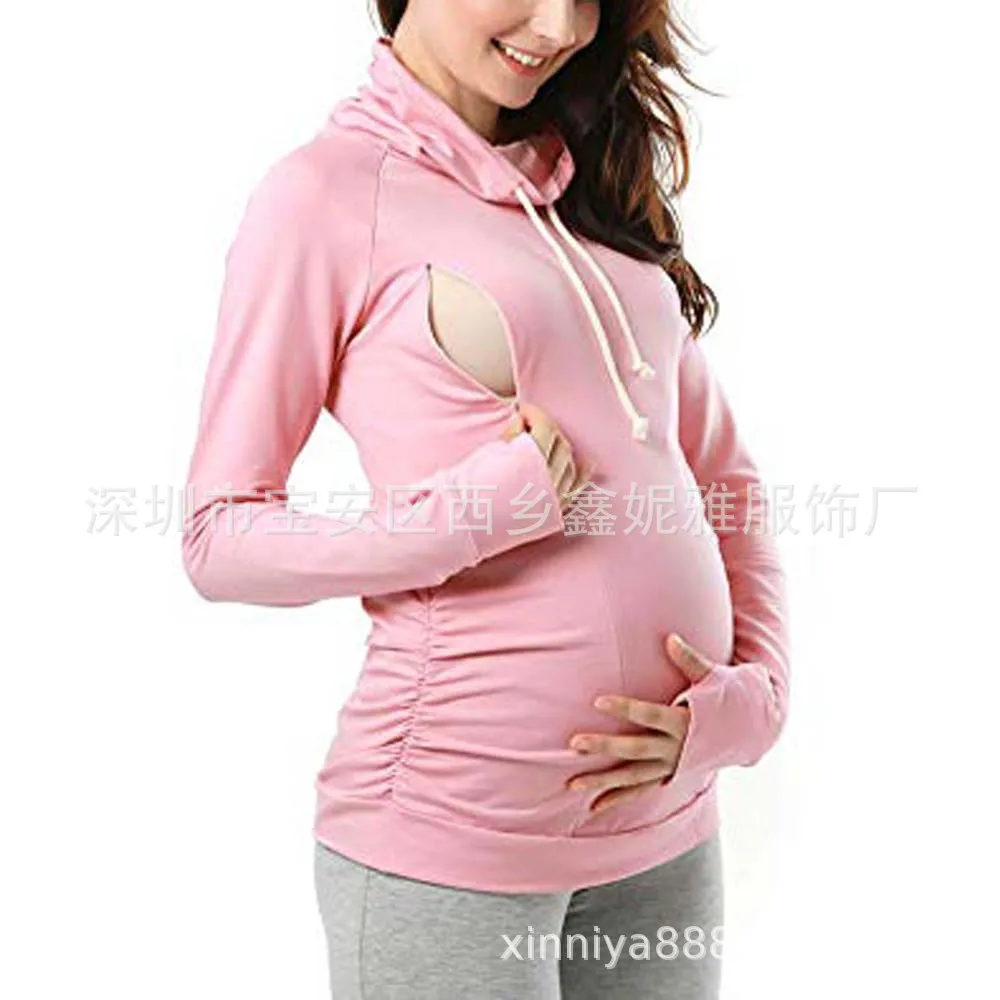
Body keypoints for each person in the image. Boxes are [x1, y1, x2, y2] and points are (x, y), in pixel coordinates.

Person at [180, 1, 792, 996]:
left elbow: (726, 485)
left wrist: (757, 697)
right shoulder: (325, 197)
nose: (560, 25)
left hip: (668, 829)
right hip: (448, 846)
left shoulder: (586, 181)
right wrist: (471, 514)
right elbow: (220, 536)